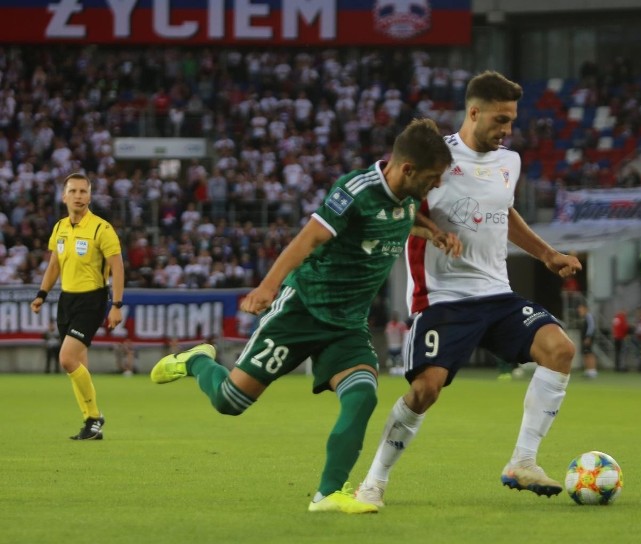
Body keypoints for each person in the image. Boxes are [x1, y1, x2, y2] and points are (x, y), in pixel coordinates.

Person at [149, 118, 455, 515]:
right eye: (432, 178)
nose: (436, 186)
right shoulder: (354, 190)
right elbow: (309, 237)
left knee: (362, 395)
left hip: (347, 323)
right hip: (303, 309)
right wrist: (267, 287)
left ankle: (328, 493)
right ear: (407, 169)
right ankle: (197, 361)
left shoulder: (408, 195)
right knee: (230, 401)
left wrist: (434, 232)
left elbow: (404, 217)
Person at [355, 71, 583, 507]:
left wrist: (547, 254)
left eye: (512, 121)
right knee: (426, 390)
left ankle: (523, 461)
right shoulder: (434, 157)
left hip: (497, 293)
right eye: (500, 120)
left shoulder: (509, 162)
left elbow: (504, 211)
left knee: (560, 349)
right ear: (473, 113)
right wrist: (431, 233)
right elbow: (393, 205)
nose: (507, 130)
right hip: (442, 298)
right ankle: (374, 481)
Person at [30, 172, 125, 440]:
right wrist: (41, 293)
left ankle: (94, 417)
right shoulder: (59, 227)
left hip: (92, 300)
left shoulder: (101, 229)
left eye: (83, 191)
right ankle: (91, 422)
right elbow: (54, 265)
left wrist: (116, 304)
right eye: (73, 191)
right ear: (64, 196)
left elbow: (117, 268)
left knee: (66, 358)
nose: (79, 196)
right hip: (66, 300)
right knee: (78, 364)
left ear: (90, 196)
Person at [384, 311, 408, 375]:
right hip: (391, 345)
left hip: (398, 345)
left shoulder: (401, 325)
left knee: (398, 360)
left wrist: (402, 343)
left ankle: (398, 372)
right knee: (391, 361)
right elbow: (387, 335)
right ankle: (391, 372)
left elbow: (403, 334)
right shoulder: (389, 325)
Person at [578, 302, 598, 378]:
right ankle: (588, 370)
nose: (579, 310)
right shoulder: (585, 317)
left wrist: (588, 337)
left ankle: (593, 371)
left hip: (588, 338)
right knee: (585, 353)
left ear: (585, 309)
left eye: (581, 308)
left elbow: (591, 327)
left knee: (589, 353)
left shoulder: (589, 316)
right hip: (585, 338)